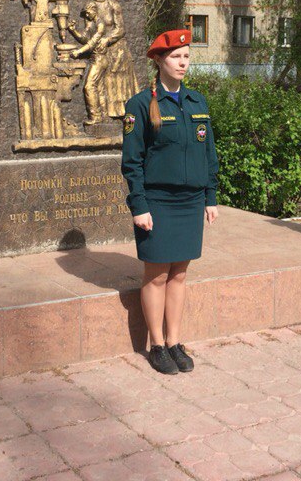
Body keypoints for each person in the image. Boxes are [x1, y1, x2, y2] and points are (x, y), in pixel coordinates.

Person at [121, 29, 219, 374]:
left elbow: (209, 153)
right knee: (157, 275)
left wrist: (210, 196)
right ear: (159, 61)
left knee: (179, 274)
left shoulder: (197, 102)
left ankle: (175, 341)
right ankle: (157, 345)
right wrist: (140, 206)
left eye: (187, 56)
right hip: (158, 201)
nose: (183, 62)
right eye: (176, 56)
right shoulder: (139, 105)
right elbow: (131, 162)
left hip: (191, 202)